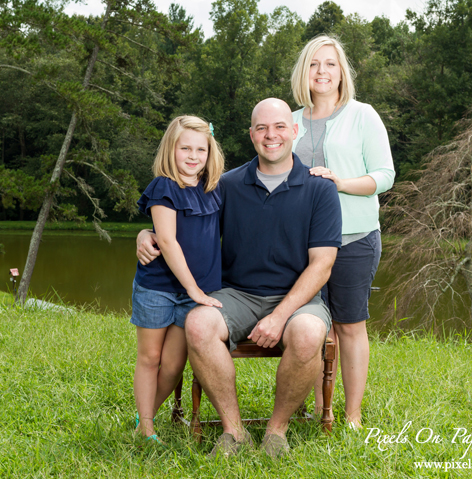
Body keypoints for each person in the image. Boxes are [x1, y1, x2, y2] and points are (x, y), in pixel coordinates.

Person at [137, 99, 342, 458]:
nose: (271, 135)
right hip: (236, 294)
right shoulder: (226, 184)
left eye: (279, 126)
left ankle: (276, 432)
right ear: (251, 135)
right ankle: (234, 432)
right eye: (261, 128)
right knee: (198, 324)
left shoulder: (319, 188)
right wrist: (144, 233)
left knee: (310, 333)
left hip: (299, 300)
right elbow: (182, 220)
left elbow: (322, 266)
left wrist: (279, 316)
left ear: (294, 132)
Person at [289, 35, 396, 429]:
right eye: (315, 64)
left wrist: (340, 182)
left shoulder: (363, 115)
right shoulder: (292, 120)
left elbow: (385, 176)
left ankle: (351, 415)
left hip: (355, 237)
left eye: (330, 64)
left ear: (342, 72)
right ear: (305, 71)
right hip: (303, 245)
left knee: (349, 325)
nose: (322, 72)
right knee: (315, 326)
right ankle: (321, 407)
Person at [130, 115, 224, 444]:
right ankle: (146, 428)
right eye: (185, 147)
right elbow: (167, 241)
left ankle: (145, 418)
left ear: (210, 152)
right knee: (150, 357)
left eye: (201, 148)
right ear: (171, 149)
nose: (193, 155)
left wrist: (198, 291)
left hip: (195, 294)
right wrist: (193, 289)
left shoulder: (214, 190)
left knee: (172, 365)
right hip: (158, 288)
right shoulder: (164, 186)